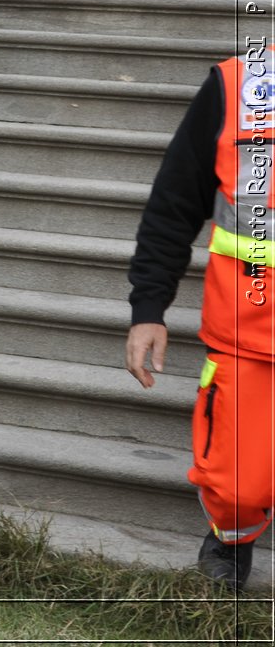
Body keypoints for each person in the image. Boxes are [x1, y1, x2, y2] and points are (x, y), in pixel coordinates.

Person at [126, 55, 275, 590]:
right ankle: (232, 539)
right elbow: (174, 202)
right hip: (249, 334)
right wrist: (149, 308)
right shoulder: (241, 85)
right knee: (237, 487)